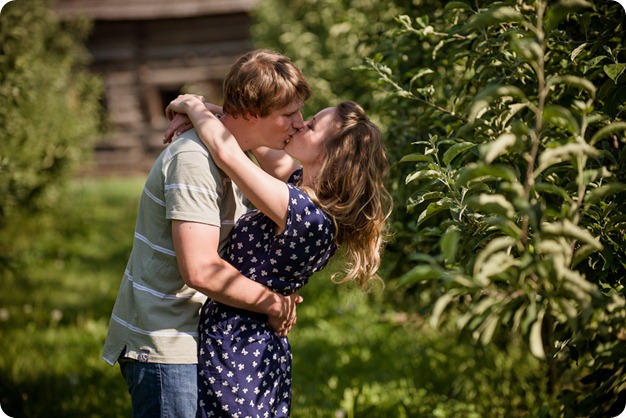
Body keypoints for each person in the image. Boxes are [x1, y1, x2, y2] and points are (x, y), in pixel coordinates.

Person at [101, 49, 312, 418]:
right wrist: (273, 303)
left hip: (202, 336)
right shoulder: (195, 161)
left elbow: (279, 168)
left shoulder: (237, 156)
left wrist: (201, 108)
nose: (299, 122)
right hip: (168, 342)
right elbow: (200, 269)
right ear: (251, 113)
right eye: (288, 114)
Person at [164, 94, 393, 417]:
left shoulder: (303, 212)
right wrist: (214, 112)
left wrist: (191, 105)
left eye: (311, 125)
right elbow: (255, 139)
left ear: (331, 153)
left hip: (238, 346)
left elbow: (228, 152)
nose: (299, 123)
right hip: (255, 341)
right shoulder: (305, 192)